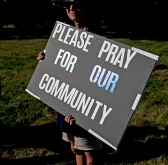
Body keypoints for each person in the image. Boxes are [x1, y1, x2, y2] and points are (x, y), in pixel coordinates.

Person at [37, 0, 103, 164]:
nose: (72, 8)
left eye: (78, 3)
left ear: (88, 7)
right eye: (67, 4)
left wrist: (79, 109)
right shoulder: (63, 36)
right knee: (75, 149)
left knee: (89, 153)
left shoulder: (96, 37)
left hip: (83, 104)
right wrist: (45, 59)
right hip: (65, 102)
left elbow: (97, 76)